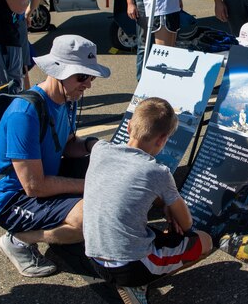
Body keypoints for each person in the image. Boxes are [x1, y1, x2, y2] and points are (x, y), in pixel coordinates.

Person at [0, 35, 110, 277]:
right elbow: (35, 187)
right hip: (13, 200)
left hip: (43, 181)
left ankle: (61, 222)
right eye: (82, 76)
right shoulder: (24, 114)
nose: (88, 84)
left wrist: (95, 147)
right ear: (58, 71)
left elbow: (67, 146)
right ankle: (18, 240)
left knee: (109, 174)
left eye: (91, 76)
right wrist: (91, 187)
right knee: (90, 217)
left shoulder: (65, 99)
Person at [84, 97, 213, 304]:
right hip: (128, 267)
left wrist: (163, 203)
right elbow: (187, 223)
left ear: (128, 126)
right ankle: (137, 284)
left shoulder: (100, 150)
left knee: (153, 233)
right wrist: (171, 206)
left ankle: (140, 275)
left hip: (94, 258)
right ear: (162, 140)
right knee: (204, 241)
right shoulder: (157, 171)